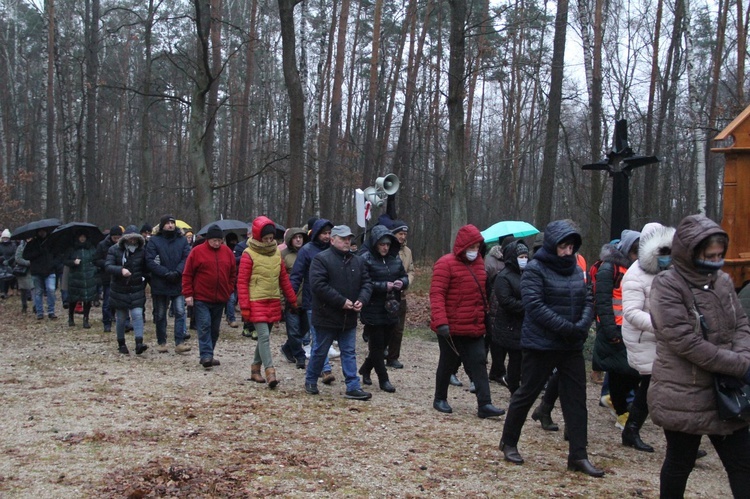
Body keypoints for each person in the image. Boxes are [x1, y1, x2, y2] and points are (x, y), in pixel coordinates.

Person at [649, 214, 750, 497]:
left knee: (743, 464)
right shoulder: (667, 285)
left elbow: (741, 323)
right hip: (685, 392)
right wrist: (739, 365)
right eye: (709, 255)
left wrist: (743, 356)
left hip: (728, 391)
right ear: (691, 253)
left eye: (719, 255)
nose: (715, 261)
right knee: (680, 463)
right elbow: (685, 341)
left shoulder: (724, 282)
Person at [499, 220, 602, 477]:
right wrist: (567, 327)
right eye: (563, 247)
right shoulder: (535, 269)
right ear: (552, 245)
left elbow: (589, 297)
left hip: (571, 345)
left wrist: (581, 324)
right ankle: (509, 442)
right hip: (541, 344)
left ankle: (578, 455)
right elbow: (534, 305)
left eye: (571, 247)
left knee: (576, 401)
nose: (567, 252)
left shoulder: (578, 269)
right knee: (527, 393)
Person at [430, 224, 504, 419]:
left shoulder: (480, 263)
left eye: (476, 247)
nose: (474, 251)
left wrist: (484, 320)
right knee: (447, 362)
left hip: (473, 325)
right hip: (450, 327)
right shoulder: (445, 263)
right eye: (471, 247)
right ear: (463, 246)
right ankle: (440, 398)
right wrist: (441, 322)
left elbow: (483, 295)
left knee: (479, 362)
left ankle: (485, 404)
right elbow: (437, 294)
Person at [305, 225, 373, 400]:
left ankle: (353, 385)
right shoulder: (321, 259)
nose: (347, 242)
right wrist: (341, 301)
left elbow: (367, 283)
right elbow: (318, 286)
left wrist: (362, 300)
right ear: (333, 239)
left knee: (349, 351)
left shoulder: (358, 261)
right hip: (326, 316)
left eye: (349, 239)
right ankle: (311, 380)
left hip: (348, 317)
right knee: (320, 351)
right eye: (343, 239)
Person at [238, 216, 297, 388]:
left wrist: (291, 299)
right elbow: (242, 282)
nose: (269, 241)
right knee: (263, 337)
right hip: (256, 300)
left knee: (264, 337)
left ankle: (255, 369)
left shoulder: (277, 252)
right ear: (258, 237)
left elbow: (283, 278)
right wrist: (245, 307)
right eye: (266, 238)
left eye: (271, 238)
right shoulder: (248, 254)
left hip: (273, 300)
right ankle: (270, 372)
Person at [592, 229, 642, 430]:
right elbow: (603, 302)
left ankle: (619, 406)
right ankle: (622, 412)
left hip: (627, 328)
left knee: (627, 372)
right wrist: (611, 330)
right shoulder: (609, 269)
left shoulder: (631, 270)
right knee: (623, 372)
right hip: (614, 328)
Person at [358, 224, 408, 392]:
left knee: (384, 343)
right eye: (382, 244)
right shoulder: (365, 259)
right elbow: (363, 283)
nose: (385, 247)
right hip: (373, 308)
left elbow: (404, 276)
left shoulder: (395, 259)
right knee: (377, 347)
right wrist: (382, 286)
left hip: (392, 307)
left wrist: (402, 283)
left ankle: (365, 369)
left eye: (387, 244)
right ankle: (383, 379)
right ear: (375, 244)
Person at [182, 224, 237, 369]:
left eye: (219, 240)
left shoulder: (227, 253)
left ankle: (209, 354)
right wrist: (188, 294)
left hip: (220, 298)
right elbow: (187, 274)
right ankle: (206, 355)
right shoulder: (197, 252)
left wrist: (229, 289)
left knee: (215, 329)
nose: (217, 243)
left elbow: (233, 273)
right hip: (201, 297)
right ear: (208, 239)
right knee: (204, 325)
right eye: (214, 240)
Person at [290, 218, 337, 384]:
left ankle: (311, 366)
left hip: (333, 300)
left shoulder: (335, 250)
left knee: (328, 336)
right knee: (318, 337)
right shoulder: (306, 250)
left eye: (329, 233)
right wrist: (290, 298)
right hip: (312, 300)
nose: (327, 236)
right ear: (316, 233)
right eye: (324, 233)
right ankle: (325, 369)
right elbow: (296, 276)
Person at [145, 215, 191, 354]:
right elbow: (150, 261)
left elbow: (186, 258)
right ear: (162, 225)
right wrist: (165, 273)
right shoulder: (154, 241)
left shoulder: (182, 240)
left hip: (177, 281)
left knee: (180, 312)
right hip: (160, 282)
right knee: (160, 314)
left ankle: (179, 342)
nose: (170, 225)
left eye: (172, 223)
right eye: (167, 223)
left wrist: (177, 272)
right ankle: (162, 342)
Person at [106, 226, 149, 355]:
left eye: (135, 239)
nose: (132, 241)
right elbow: (108, 266)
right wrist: (120, 270)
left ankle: (139, 343)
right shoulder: (114, 250)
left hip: (136, 288)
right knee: (121, 317)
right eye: (130, 238)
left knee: (137, 315)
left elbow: (146, 268)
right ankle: (121, 343)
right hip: (119, 289)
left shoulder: (142, 251)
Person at [493, 241, 529, 394]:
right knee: (514, 357)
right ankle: (513, 386)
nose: (524, 259)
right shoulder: (503, 277)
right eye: (521, 256)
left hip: (522, 324)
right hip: (508, 324)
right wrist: (527, 306)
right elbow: (505, 301)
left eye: (526, 256)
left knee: (519, 358)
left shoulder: (526, 274)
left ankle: (515, 383)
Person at [386, 220, 414, 370]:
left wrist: (406, 282)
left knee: (399, 328)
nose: (403, 237)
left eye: (404, 234)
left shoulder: (408, 252)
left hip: (401, 294)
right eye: (400, 234)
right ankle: (380, 352)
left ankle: (393, 356)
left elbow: (411, 270)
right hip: (386, 294)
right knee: (384, 326)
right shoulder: (386, 248)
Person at [280, 227, 309, 369]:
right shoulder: (283, 255)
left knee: (305, 328)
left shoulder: (309, 252)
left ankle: (287, 348)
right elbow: (279, 279)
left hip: (308, 299)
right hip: (291, 299)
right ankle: (300, 356)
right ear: (290, 239)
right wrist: (281, 301)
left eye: (301, 237)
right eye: (295, 237)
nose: (298, 239)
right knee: (294, 330)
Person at [64, 231, 98, 328]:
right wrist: (73, 262)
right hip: (75, 277)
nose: (82, 239)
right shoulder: (72, 249)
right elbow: (65, 260)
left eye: (84, 237)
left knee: (87, 299)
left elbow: (96, 259)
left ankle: (86, 319)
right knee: (73, 299)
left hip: (88, 277)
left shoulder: (91, 248)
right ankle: (71, 317)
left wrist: (94, 269)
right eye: (80, 237)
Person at [23, 228, 58, 320]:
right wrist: (37, 253)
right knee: (38, 292)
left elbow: (57, 255)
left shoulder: (51, 242)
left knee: (51, 290)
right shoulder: (32, 243)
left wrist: (53, 264)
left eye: (43, 231)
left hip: (50, 270)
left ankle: (51, 311)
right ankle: (39, 312)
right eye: (40, 231)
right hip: (36, 271)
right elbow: (25, 255)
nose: (42, 233)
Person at [94, 226, 123, 332]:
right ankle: (106, 322)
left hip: (120, 276)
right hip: (107, 276)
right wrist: (107, 264)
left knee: (119, 301)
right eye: (115, 238)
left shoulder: (124, 245)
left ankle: (115, 317)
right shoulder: (102, 245)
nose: (117, 240)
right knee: (107, 301)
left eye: (118, 238)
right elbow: (96, 260)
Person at [223, 232, 240, 328]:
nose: (233, 243)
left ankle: (231, 317)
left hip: (232, 277)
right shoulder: (224, 250)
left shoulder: (237, 248)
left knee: (232, 299)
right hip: (223, 278)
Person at [14, 238, 34, 313]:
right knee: (23, 290)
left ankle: (35, 306)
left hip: (33, 270)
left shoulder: (35, 245)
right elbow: (18, 258)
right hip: (23, 271)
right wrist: (27, 263)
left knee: (34, 288)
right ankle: (24, 305)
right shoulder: (21, 247)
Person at [0, 229, 17, 299]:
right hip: (1, 264)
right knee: (2, 278)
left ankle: (11, 289)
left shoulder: (13, 245)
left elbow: (14, 254)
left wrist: (9, 261)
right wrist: (2, 259)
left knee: (11, 278)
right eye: (4, 238)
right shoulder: (0, 245)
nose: (5, 239)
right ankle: (3, 292)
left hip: (11, 264)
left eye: (6, 238)